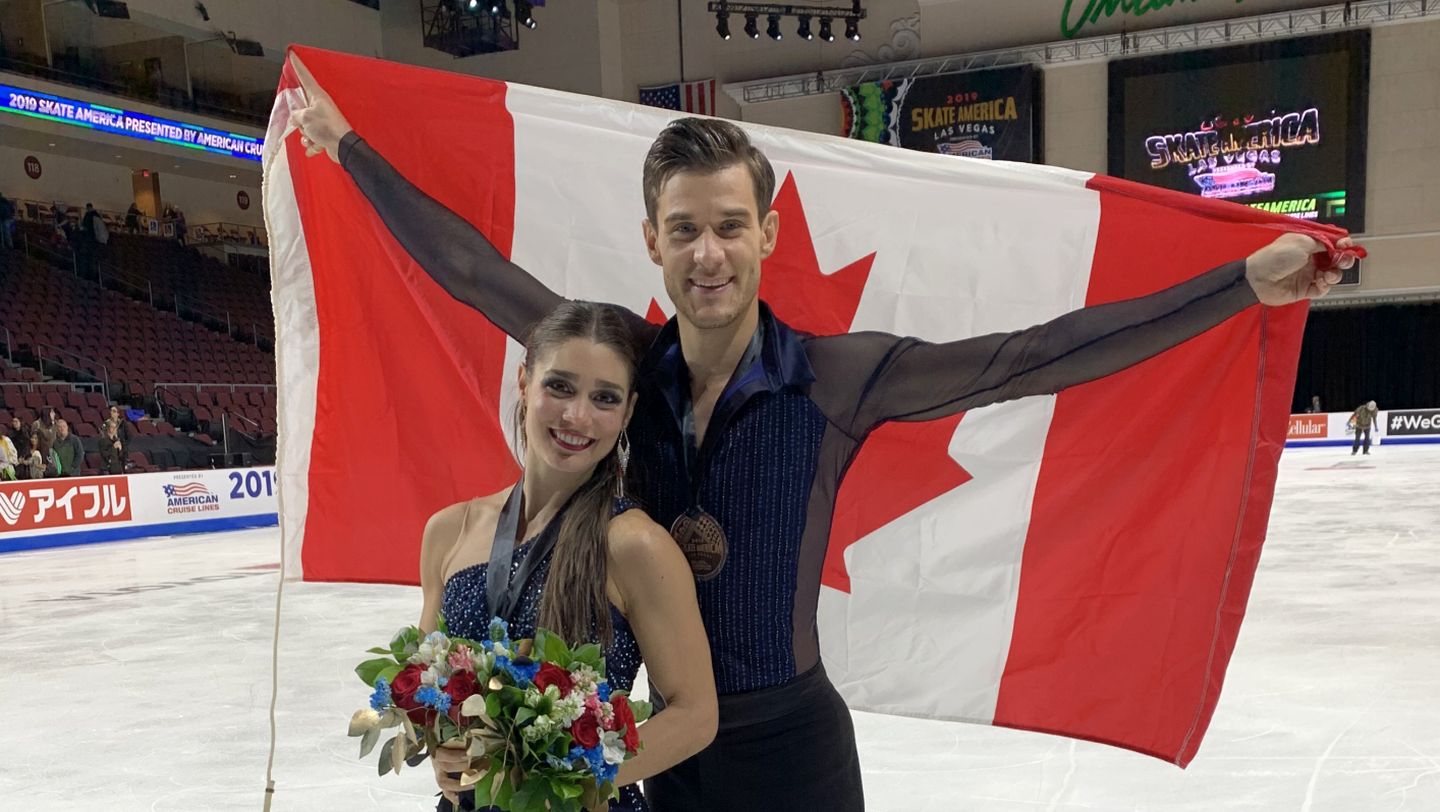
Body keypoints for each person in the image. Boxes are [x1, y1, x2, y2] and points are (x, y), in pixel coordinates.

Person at [290, 55, 1357, 810]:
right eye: (683, 230)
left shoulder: (841, 376)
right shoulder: (624, 373)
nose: (708, 253)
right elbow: (473, 269)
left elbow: (1039, 352)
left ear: (769, 230)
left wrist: (1237, 284)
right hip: (663, 748)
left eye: (728, 226)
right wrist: (346, 150)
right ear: (651, 240)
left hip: (798, 750)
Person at [418, 301, 716, 811]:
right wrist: (440, 746)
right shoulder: (449, 531)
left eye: (604, 397)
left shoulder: (632, 545)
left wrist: (574, 775)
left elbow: (695, 714)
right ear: (523, 382)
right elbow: (430, 688)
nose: (577, 416)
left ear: (627, 411)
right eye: (559, 386)